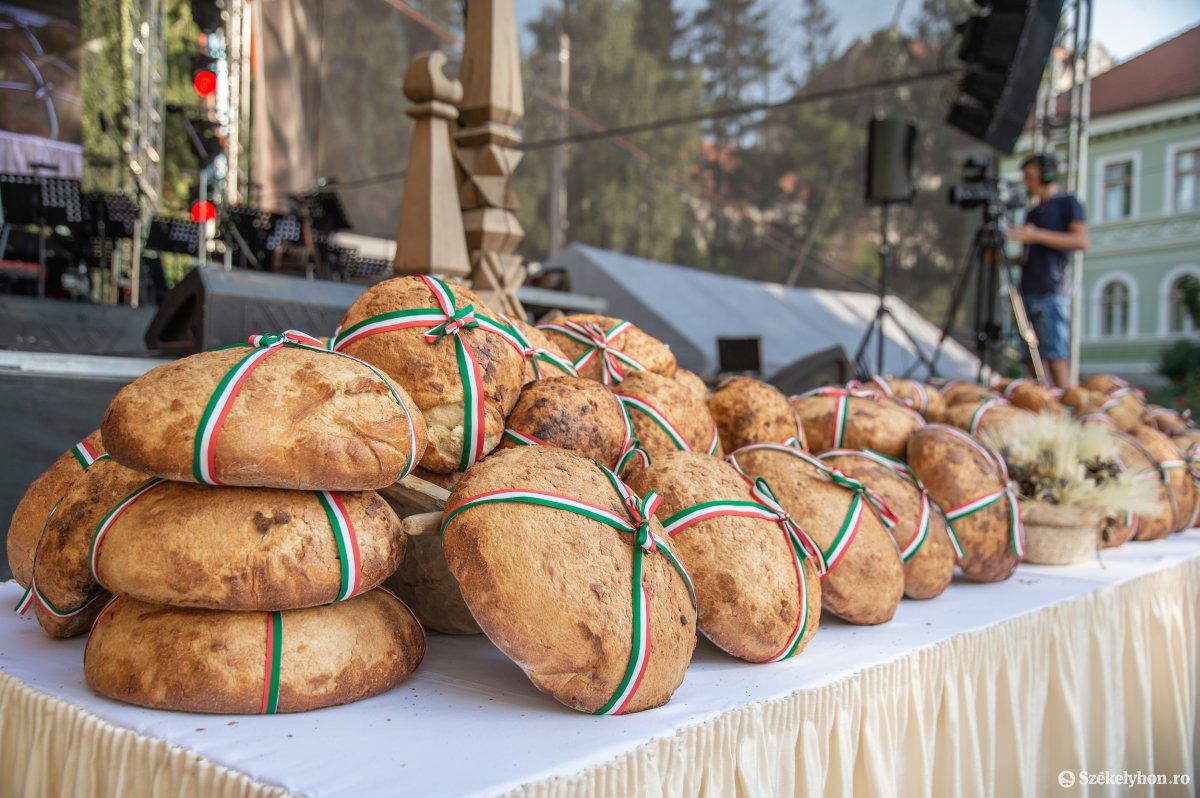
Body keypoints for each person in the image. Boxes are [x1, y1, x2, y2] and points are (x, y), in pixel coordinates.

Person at [1004, 153, 1089, 389]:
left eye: (1030, 177)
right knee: (1030, 357)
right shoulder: (1033, 212)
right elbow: (1031, 255)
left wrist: (1036, 235)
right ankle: (1042, 400)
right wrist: (1006, 258)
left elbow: (1080, 241)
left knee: (1054, 355)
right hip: (1027, 289)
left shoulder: (1067, 203)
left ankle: (1065, 403)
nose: (1026, 183)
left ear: (1047, 175)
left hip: (1051, 290)